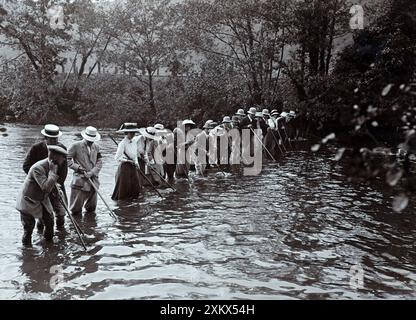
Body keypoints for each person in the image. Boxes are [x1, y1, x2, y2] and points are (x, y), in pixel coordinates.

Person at [16, 145, 67, 246]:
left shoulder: (54, 165)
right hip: (28, 200)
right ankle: (27, 252)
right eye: (63, 157)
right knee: (28, 229)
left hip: (42, 199)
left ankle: (48, 247)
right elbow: (46, 187)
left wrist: (58, 191)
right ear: (55, 158)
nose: (64, 160)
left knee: (50, 222)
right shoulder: (38, 168)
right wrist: (53, 173)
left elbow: (52, 184)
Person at [22, 124, 67, 229]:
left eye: (55, 139)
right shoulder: (36, 148)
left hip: (57, 186)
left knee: (61, 213)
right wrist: (39, 178)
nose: (53, 141)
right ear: (45, 138)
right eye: (51, 139)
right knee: (43, 216)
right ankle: (43, 238)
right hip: (39, 187)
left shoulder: (62, 149)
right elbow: (26, 166)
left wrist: (56, 184)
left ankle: (61, 236)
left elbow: (64, 171)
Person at [68, 126, 103, 216]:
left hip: (93, 180)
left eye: (92, 139)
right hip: (80, 180)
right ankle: (76, 226)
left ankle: (90, 227)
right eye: (89, 139)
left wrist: (92, 172)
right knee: (75, 210)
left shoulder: (96, 147)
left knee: (91, 209)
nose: (91, 141)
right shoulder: (75, 146)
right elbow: (66, 160)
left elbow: (99, 162)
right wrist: (77, 168)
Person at [112, 123, 142, 201]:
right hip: (125, 167)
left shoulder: (134, 142)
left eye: (134, 133)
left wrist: (136, 163)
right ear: (126, 133)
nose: (132, 134)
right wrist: (127, 160)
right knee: (125, 186)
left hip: (133, 165)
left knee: (136, 185)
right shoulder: (122, 143)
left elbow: (135, 155)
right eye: (131, 133)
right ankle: (124, 202)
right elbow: (117, 157)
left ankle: (133, 201)